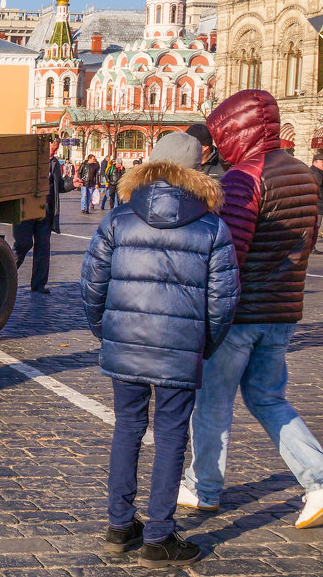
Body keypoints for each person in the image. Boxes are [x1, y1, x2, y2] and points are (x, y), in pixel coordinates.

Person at [81, 132, 239, 568]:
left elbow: (92, 284)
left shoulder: (118, 218)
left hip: (126, 342)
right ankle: (159, 535)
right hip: (180, 347)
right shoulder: (211, 225)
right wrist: (203, 343)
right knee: (171, 435)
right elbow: (224, 299)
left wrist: (107, 331)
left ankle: (119, 526)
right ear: (194, 170)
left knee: (127, 428)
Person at [179, 90, 323, 530]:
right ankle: (318, 479)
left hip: (240, 314)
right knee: (268, 398)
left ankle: (204, 487)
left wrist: (205, 307)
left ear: (236, 129)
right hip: (282, 309)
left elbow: (228, 254)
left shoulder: (244, 178)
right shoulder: (303, 174)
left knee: (212, 404)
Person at [13, 137, 68, 294]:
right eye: (52, 149)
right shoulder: (27, 161)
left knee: (43, 248)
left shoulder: (55, 163)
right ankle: (5, 272)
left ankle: (38, 284)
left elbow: (59, 185)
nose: (54, 152)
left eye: (56, 149)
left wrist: (71, 184)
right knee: (23, 244)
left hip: (45, 212)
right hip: (27, 210)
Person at [311, 151, 323, 255]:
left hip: (318, 203)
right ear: (315, 162)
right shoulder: (316, 173)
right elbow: (317, 189)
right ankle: (311, 247)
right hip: (318, 204)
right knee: (316, 225)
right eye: (322, 162)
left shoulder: (317, 172)